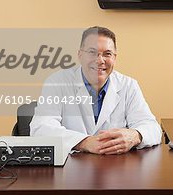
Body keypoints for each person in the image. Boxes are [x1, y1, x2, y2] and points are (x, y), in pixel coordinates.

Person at [30, 26, 162, 154]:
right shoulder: (57, 82)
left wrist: (135, 135)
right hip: (69, 167)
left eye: (107, 54)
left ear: (114, 58)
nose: (100, 60)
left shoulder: (128, 85)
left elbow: (152, 127)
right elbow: (41, 128)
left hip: (115, 169)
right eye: (92, 52)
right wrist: (85, 142)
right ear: (80, 55)